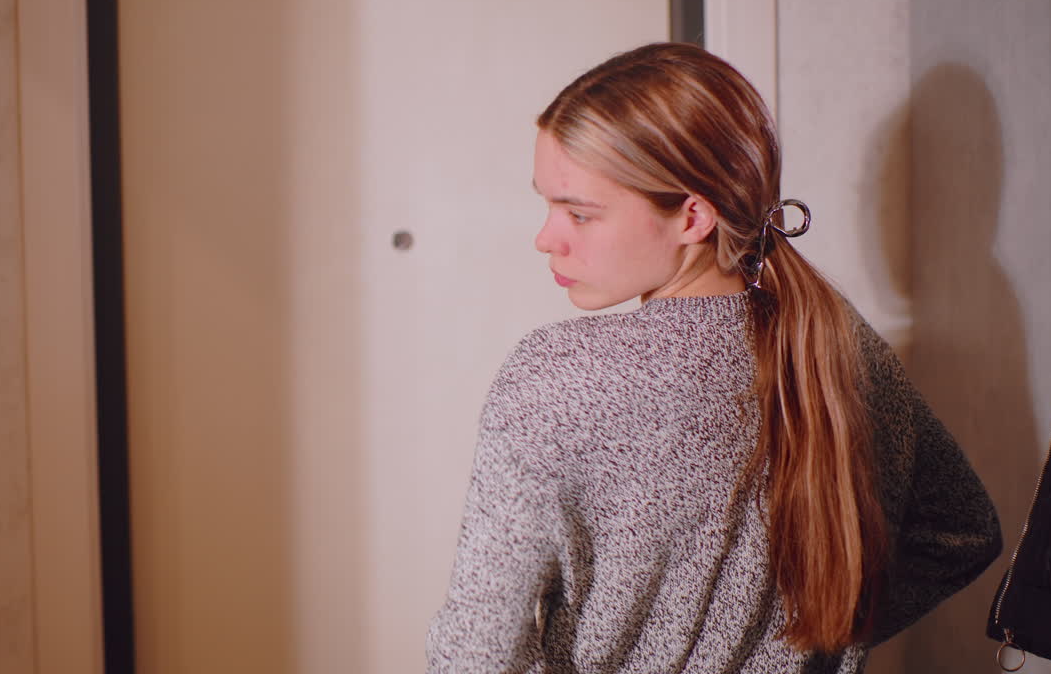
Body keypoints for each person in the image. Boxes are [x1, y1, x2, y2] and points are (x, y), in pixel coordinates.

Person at [426, 42, 1002, 673]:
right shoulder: (839, 343)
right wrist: (816, 643)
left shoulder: (553, 375)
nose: (546, 237)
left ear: (693, 216)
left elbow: (473, 654)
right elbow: (963, 531)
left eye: (579, 214)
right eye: (547, 204)